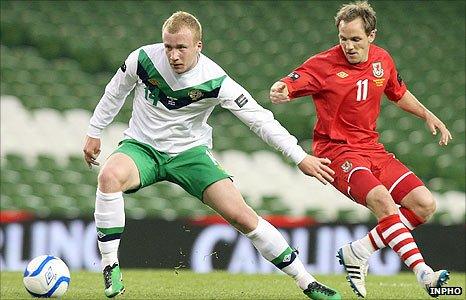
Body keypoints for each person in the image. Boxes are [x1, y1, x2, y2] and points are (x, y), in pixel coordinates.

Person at [83, 11, 341, 300]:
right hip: (142, 147)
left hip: (190, 154)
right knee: (108, 176)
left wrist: (298, 156)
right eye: (168, 46)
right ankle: (110, 267)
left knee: (243, 216)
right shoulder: (142, 59)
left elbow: (259, 119)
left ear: (198, 46)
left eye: (181, 47)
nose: (173, 55)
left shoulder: (215, 79)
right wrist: (95, 130)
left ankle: (307, 282)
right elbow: (115, 92)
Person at [269, 1, 452, 298]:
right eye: (343, 39)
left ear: (372, 36)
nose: (349, 46)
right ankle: (423, 273)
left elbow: (398, 92)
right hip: (337, 152)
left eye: (356, 39)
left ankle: (360, 249)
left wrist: (427, 114)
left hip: (372, 149)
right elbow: (294, 80)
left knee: (424, 204)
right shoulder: (324, 63)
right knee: (382, 200)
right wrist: (282, 88)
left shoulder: (382, 60)